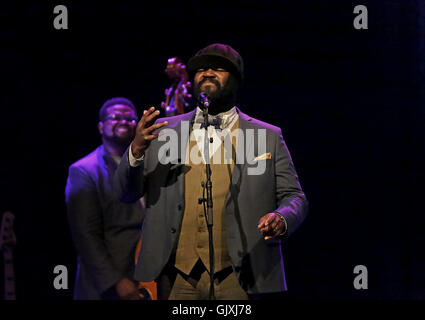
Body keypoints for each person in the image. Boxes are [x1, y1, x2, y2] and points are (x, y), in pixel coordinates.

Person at [114, 44, 308, 300]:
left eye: (218, 68)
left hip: (241, 275)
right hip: (177, 276)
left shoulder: (266, 136)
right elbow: (125, 193)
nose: (207, 73)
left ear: (236, 79)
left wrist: (281, 218)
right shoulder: (164, 132)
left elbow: (295, 197)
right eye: (200, 69)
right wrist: (136, 149)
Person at [65, 97, 145, 300]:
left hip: (145, 278)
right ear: (101, 127)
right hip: (109, 285)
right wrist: (115, 281)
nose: (124, 121)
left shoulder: (148, 164)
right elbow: (86, 236)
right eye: (115, 117)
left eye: (130, 118)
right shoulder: (84, 170)